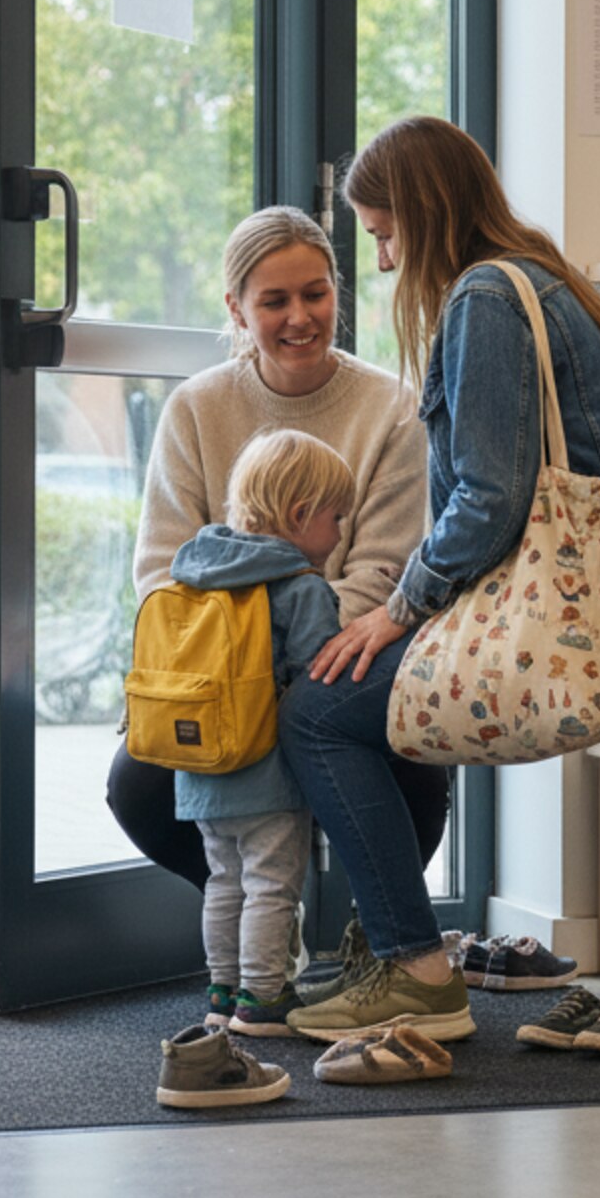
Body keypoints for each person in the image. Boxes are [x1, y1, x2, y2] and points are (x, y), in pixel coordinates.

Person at [276, 115, 600, 1044]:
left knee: (315, 710)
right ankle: (391, 955)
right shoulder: (554, 281)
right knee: (375, 718)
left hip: (582, 616)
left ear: (422, 214)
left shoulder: (486, 300)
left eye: (383, 234)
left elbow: (491, 499)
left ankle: (415, 973)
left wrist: (398, 609)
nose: (381, 262)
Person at [107, 206, 439, 918]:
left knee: (415, 765)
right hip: (218, 662)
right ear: (236, 308)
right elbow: (162, 573)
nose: (300, 317)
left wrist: (290, 670)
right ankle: (254, 907)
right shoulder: (197, 409)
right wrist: (235, 675)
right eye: (274, 300)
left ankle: (375, 939)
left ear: (337, 294)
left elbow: (380, 574)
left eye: (315, 294)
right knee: (134, 784)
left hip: (334, 655)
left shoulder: (392, 409)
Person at [168, 430, 351, 1041]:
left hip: (199, 765)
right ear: (301, 516)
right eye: (336, 518)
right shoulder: (300, 588)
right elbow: (319, 681)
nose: (340, 532)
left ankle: (221, 992)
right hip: (268, 771)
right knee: (272, 887)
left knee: (223, 883)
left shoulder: (198, 572)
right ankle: (263, 998)